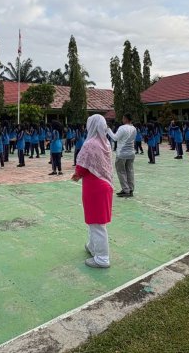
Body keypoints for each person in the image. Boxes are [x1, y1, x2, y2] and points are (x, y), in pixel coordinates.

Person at [71, 114, 114, 268]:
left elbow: (82, 166)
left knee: (97, 223)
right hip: (104, 185)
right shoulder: (105, 142)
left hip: (95, 188)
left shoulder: (90, 144)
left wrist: (77, 175)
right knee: (94, 221)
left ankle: (102, 258)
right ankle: (92, 246)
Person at [108, 113, 137, 198]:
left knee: (121, 171)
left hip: (122, 153)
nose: (122, 120)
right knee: (130, 171)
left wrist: (108, 129)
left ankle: (125, 189)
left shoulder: (122, 128)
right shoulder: (134, 128)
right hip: (131, 152)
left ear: (126, 119)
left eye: (123, 118)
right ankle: (130, 189)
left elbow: (115, 138)